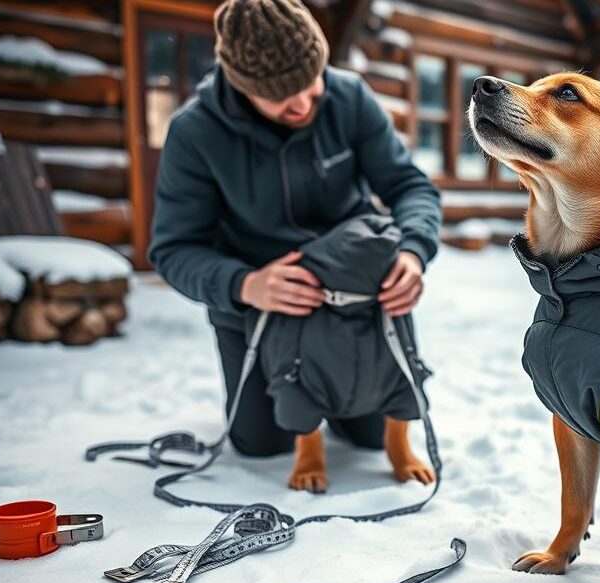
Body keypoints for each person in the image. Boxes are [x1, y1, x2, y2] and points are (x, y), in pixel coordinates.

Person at [148, 0, 441, 466]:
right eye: (282, 96)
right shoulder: (194, 133)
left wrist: (412, 251)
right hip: (258, 308)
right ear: (243, 87)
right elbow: (173, 249)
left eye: (311, 82)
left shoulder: (351, 98)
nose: (304, 102)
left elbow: (410, 186)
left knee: (369, 436)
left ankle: (342, 402)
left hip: (354, 302)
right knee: (262, 444)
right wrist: (245, 285)